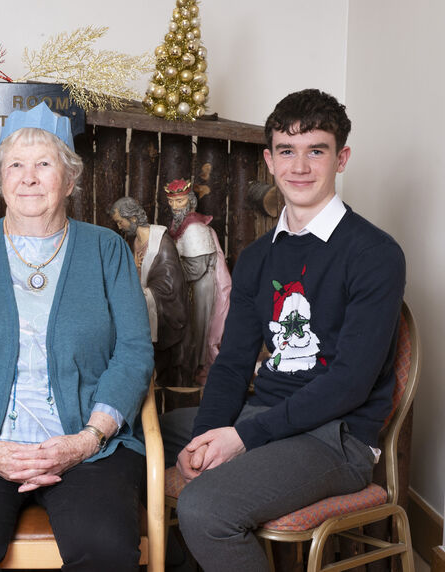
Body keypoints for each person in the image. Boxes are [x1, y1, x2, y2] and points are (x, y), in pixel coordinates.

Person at [160, 89, 405, 571]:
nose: (300, 166)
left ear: (342, 159)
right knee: (135, 440)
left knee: (205, 507)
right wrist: (211, 435)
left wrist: (243, 438)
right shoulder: (257, 257)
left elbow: (350, 383)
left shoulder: (375, 253)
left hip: (336, 437)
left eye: (317, 150)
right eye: (287, 152)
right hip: (265, 414)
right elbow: (231, 363)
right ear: (269, 161)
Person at [0, 102, 154, 571]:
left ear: (69, 179)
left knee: (106, 547)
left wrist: (86, 440)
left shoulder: (106, 250)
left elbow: (133, 353)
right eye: (16, 166)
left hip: (87, 448)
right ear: (0, 180)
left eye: (44, 164)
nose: (28, 177)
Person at [110, 196, 193, 395]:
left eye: (121, 221)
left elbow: (170, 287)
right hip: (144, 306)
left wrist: (143, 293)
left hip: (165, 313)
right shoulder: (137, 240)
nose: (120, 226)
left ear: (133, 218)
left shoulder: (161, 245)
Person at [164, 178, 231, 383]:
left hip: (200, 284)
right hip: (188, 283)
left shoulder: (194, 228)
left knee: (199, 326)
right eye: (172, 202)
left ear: (190, 202)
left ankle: (198, 366)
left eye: (180, 201)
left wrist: (170, 271)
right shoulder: (178, 224)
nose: (176, 206)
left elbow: (197, 267)